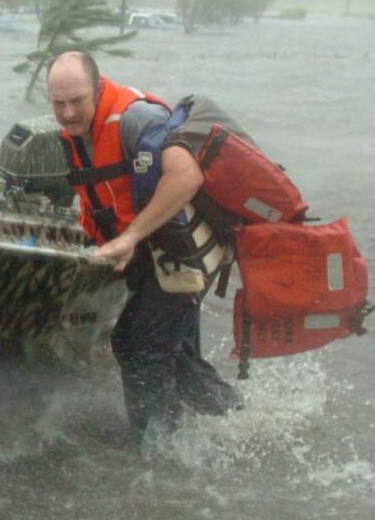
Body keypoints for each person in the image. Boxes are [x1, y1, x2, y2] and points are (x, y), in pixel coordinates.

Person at [45, 51, 239, 433]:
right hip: (150, 260)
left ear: (99, 89)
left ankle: (157, 451)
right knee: (178, 359)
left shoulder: (137, 120)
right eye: (58, 103)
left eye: (77, 101)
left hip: (179, 257)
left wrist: (132, 235)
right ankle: (236, 424)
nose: (68, 113)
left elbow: (187, 177)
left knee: (137, 347)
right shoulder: (76, 135)